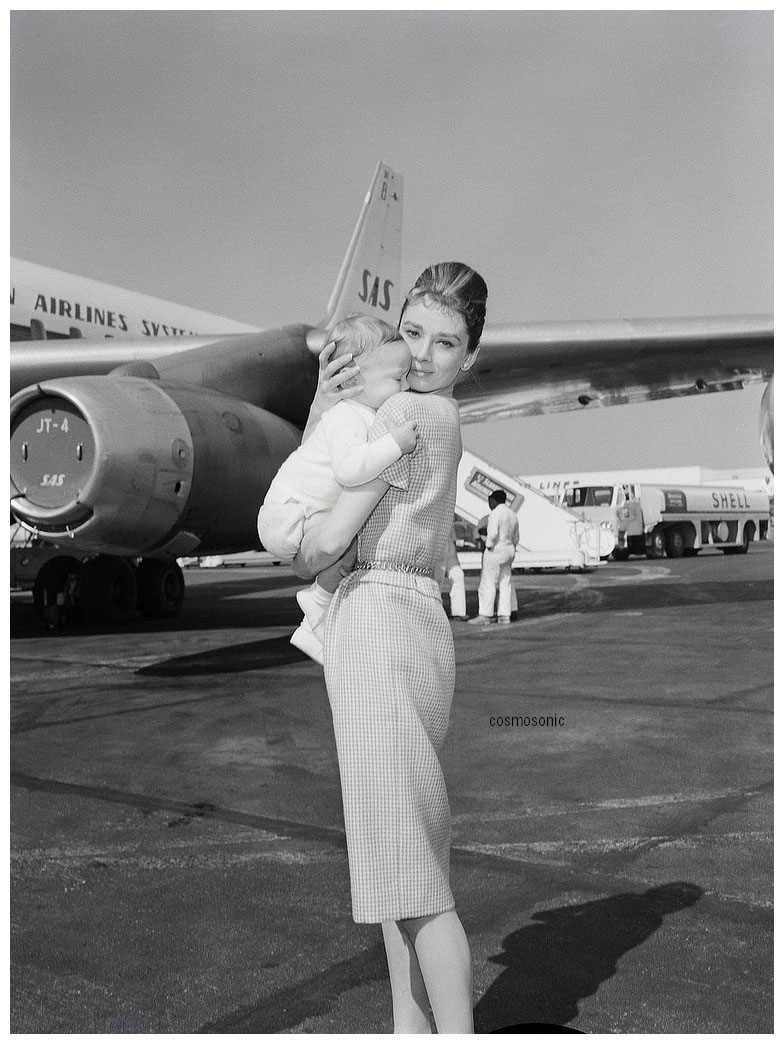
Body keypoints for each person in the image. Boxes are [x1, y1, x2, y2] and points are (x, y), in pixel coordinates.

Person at [292, 261, 487, 1033]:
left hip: (381, 620)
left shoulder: (416, 413)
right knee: (399, 857)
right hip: (401, 618)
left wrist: (322, 401)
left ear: (469, 359)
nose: (424, 353)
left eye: (447, 343)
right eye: (412, 333)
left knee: (407, 869)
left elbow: (323, 531)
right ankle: (410, 1029)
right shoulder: (422, 413)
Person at [257, 315, 417, 664]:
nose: (406, 387)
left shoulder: (360, 415)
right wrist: (397, 445)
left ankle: (316, 616)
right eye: (397, 378)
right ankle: (316, 605)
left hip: (302, 512)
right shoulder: (346, 416)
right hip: (290, 513)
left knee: (350, 547)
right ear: (355, 378)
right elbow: (350, 470)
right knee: (347, 544)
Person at [470, 489, 519, 626]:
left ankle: (485, 615)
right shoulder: (512, 514)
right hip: (509, 549)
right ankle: (505, 615)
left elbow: (492, 534)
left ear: (493, 500)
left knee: (488, 583)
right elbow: (516, 537)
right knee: (505, 583)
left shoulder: (495, 514)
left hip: (496, 550)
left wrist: (489, 546)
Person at [436, 534, 467, 621]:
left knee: (458, 575)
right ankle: (435, 611)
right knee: (437, 579)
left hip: (448, 545)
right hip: (435, 543)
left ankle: (458, 612)